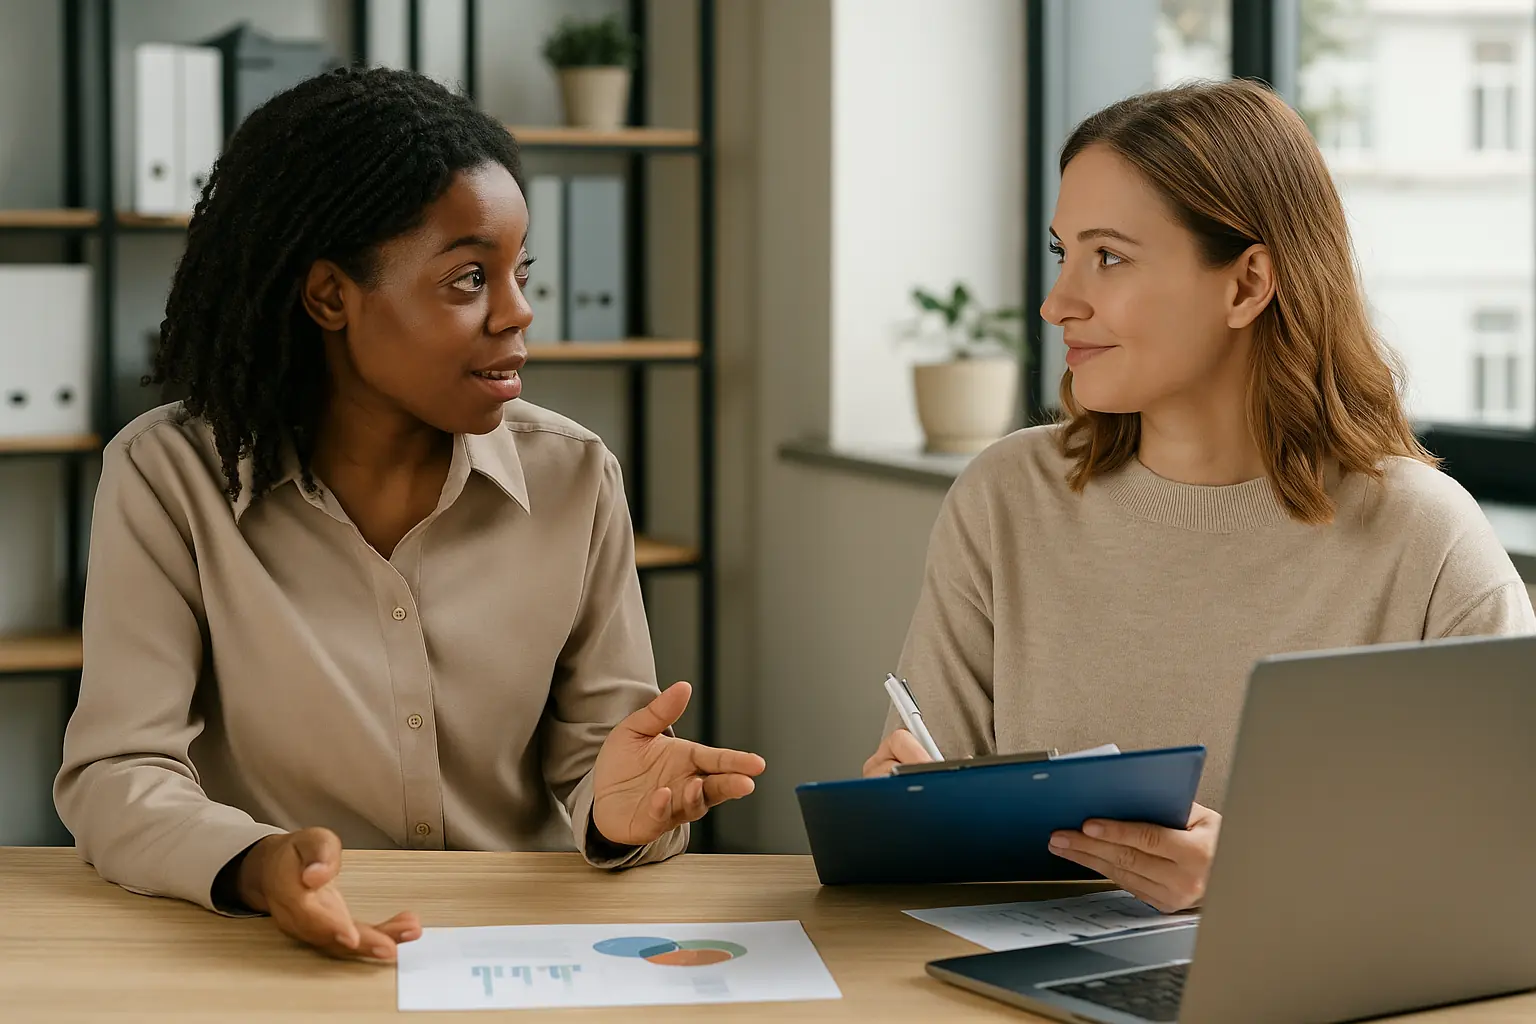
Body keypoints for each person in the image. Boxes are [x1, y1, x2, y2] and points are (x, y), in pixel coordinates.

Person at [54, 66, 764, 962]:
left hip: (521, 954)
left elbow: (606, 760)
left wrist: (621, 814)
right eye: (469, 278)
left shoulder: (576, 477)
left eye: (519, 272)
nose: (519, 312)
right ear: (331, 297)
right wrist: (258, 867)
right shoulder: (169, 477)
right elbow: (119, 772)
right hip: (275, 956)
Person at [863, 80, 1535, 913]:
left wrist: (1260, 875)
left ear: (1247, 284)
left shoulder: (1426, 539)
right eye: (1063, 253)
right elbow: (933, 805)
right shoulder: (1005, 498)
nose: (1057, 303)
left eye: (1109, 257)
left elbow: (1507, 872)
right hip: (1013, 968)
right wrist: (904, 814)